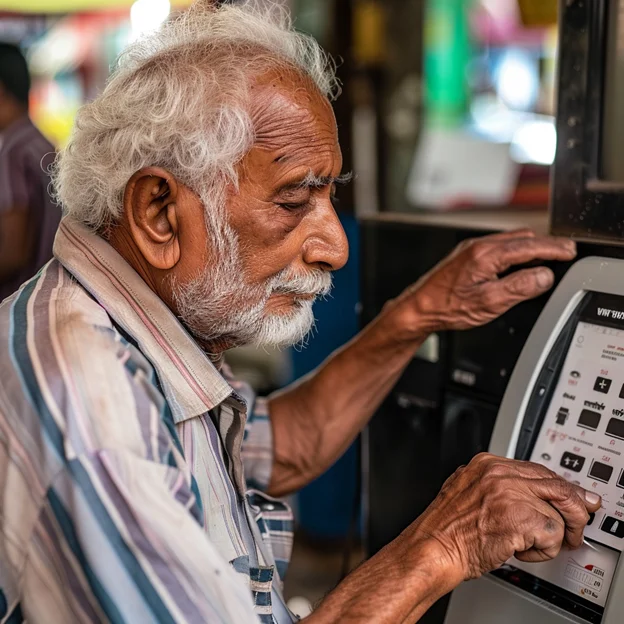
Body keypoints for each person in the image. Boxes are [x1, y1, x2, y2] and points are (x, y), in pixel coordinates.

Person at [0, 3, 600, 623]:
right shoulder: (93, 408)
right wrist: (446, 544)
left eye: (329, 195)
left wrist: (418, 314)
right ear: (159, 212)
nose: (334, 248)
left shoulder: (126, 319)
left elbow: (285, 446)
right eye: (293, 201)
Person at [0, 43, 61, 302]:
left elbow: (13, 253)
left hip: (16, 299)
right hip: (46, 295)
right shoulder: (41, 142)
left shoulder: (11, 149)